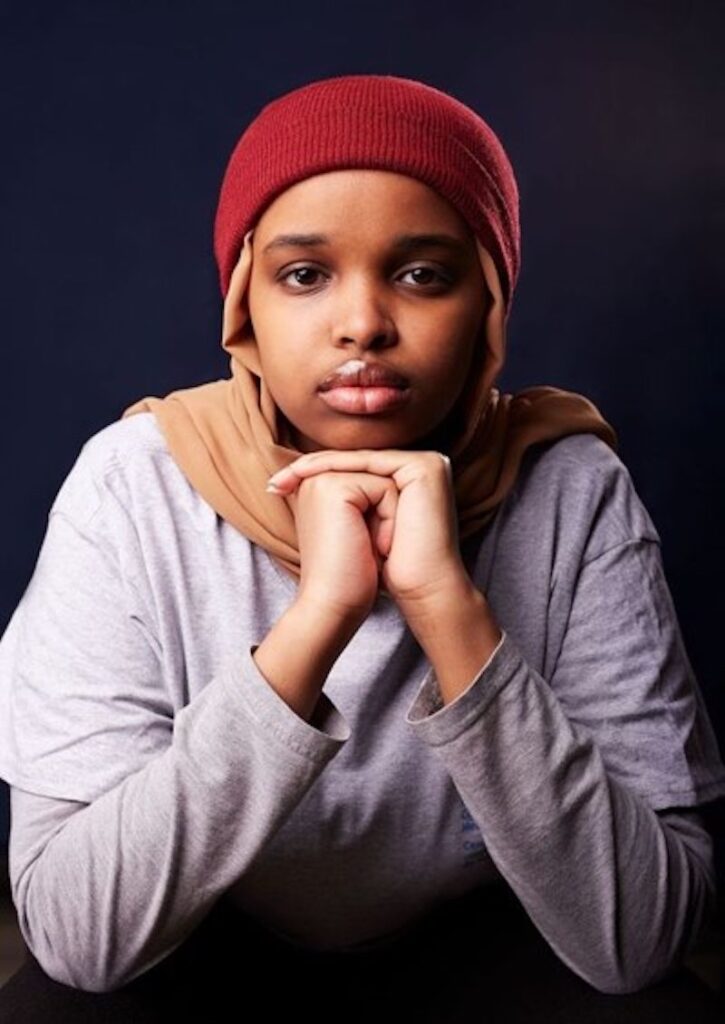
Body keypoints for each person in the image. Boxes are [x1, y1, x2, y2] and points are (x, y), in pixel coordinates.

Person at [1, 73, 724, 1023]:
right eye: (304, 274)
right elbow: (79, 938)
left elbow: (640, 937)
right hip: (204, 934)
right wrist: (316, 623)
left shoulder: (567, 486)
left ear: (490, 305)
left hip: (487, 932)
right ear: (243, 303)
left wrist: (447, 609)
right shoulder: (134, 483)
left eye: (423, 273)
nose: (362, 325)